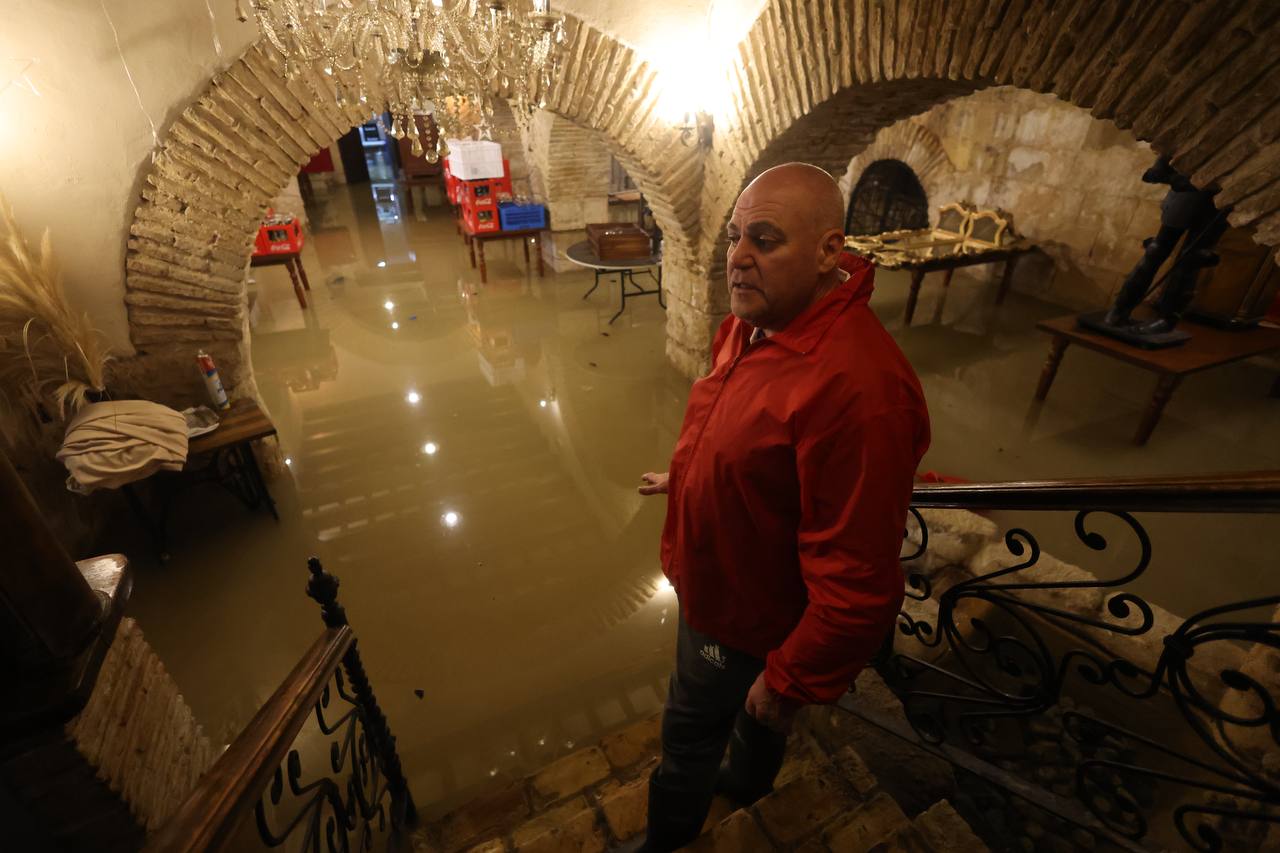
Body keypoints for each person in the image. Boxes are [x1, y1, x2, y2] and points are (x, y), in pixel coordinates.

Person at [633, 163, 930, 850]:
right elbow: (742, 432)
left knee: (687, 734)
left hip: (743, 612)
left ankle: (666, 840)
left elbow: (860, 580)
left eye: (764, 240)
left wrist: (790, 676)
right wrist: (686, 475)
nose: (737, 257)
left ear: (830, 250)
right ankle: (750, 784)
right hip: (724, 574)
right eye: (736, 236)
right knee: (754, 722)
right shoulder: (754, 322)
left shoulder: (857, 391)